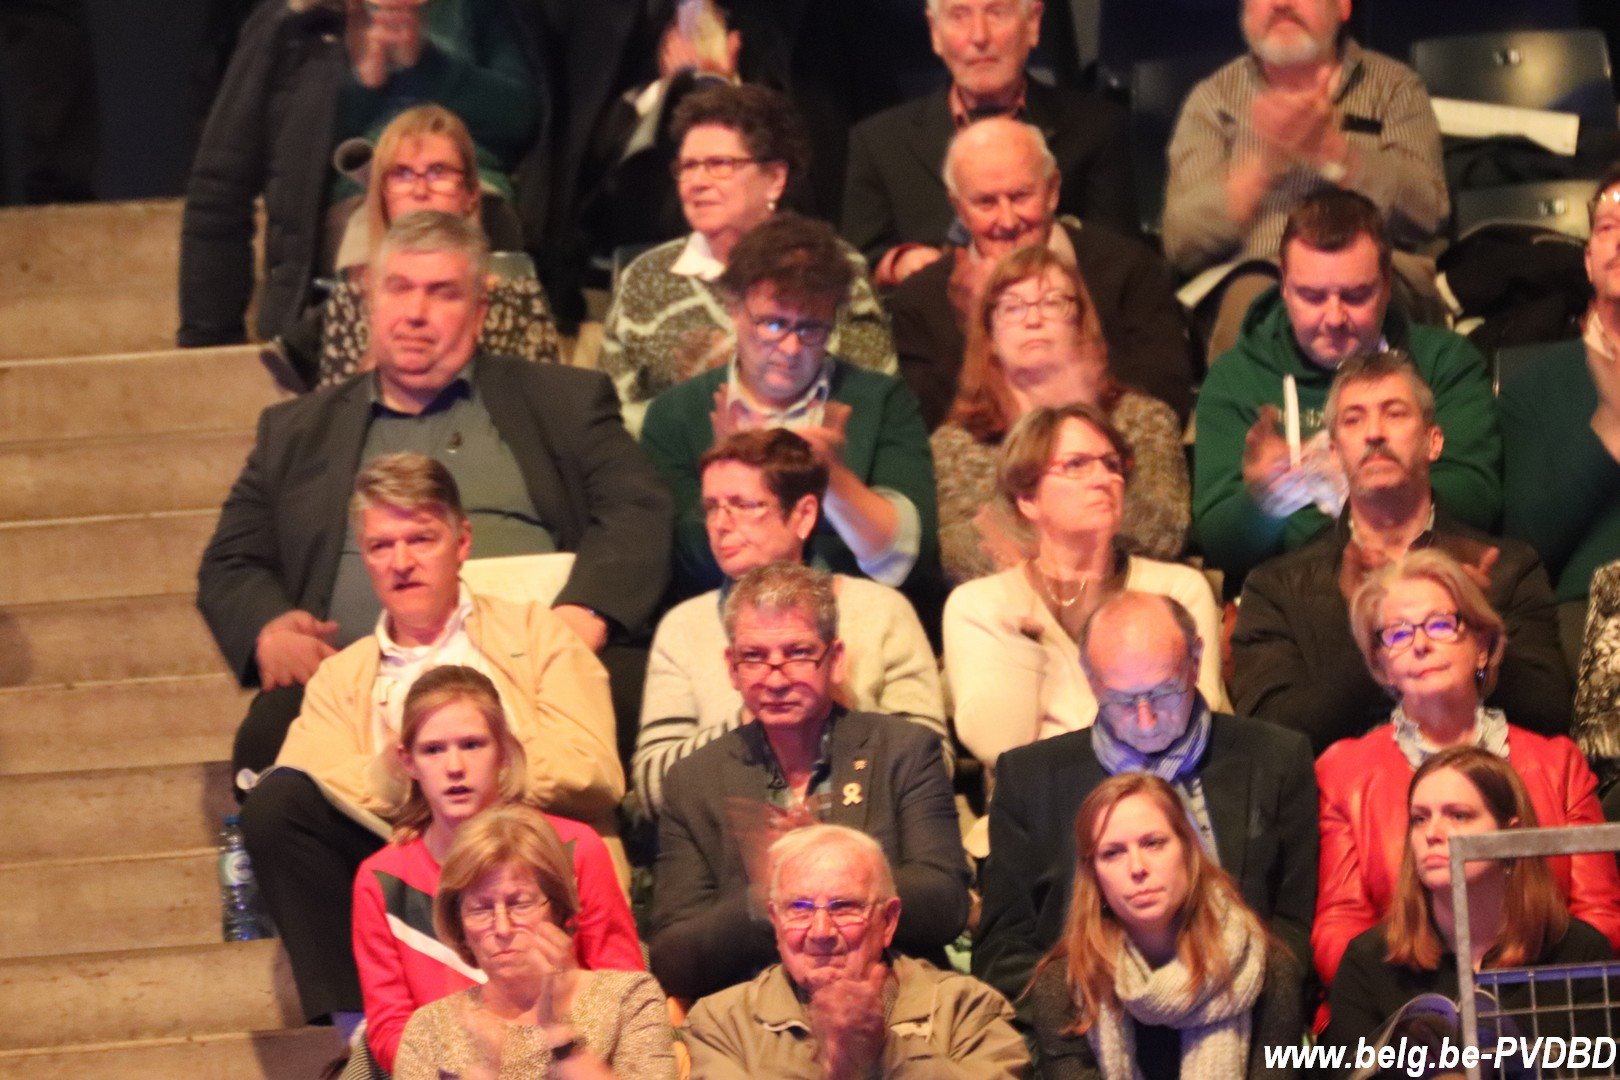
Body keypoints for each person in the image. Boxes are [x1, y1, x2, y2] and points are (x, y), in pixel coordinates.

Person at [197, 212, 672, 780]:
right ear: (372, 301)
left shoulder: (561, 401)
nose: (415, 313)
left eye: (441, 293)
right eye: (399, 288)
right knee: (269, 736)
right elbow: (232, 559)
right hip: (360, 679)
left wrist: (584, 613)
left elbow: (637, 509)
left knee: (628, 692)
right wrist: (269, 629)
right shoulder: (296, 431)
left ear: (478, 313)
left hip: (530, 666)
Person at [239, 453, 626, 1041]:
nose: (401, 563)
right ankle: (362, 1034)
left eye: (421, 539)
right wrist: (419, 794)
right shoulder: (342, 678)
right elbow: (308, 777)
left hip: (530, 853)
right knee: (276, 804)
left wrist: (478, 773)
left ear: (462, 540)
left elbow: (593, 765)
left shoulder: (534, 633)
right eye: (379, 546)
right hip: (407, 859)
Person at [975, 591, 1317, 1010]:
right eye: (1121, 700)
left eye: (1163, 693)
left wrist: (1221, 1000)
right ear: (1091, 681)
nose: (1145, 719)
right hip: (1089, 1025)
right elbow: (1002, 953)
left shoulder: (1276, 759)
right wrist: (1121, 1008)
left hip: (1241, 1008)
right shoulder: (1030, 779)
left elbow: (1295, 929)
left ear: (1195, 662)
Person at [648, 563, 970, 1001]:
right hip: (753, 1016)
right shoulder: (695, 779)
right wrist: (768, 897)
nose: (775, 677)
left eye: (798, 653)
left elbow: (945, 903)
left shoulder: (902, 751)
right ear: (732, 667)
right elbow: (673, 957)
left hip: (892, 997)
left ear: (835, 660)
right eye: (755, 657)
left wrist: (837, 873)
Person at [1231, 351, 1570, 753]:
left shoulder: (1507, 568)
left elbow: (1549, 713)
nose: (1374, 432)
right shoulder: (1277, 588)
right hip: (1343, 807)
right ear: (1335, 454)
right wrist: (1368, 632)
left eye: (1394, 414)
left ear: (1433, 442)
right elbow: (1274, 741)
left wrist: (1476, 620)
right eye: (1354, 420)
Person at [1312, 550, 1620, 989]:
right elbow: (1338, 927)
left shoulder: (1558, 762)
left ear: (1483, 645)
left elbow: (1601, 915)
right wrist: (1424, 994)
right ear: (1381, 666)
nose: (1420, 644)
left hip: (1544, 996)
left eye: (1440, 624)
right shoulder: (1343, 770)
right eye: (1397, 633)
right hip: (1405, 1006)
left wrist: (1508, 981)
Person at [178, 0, 546, 351]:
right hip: (356, 204)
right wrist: (365, 83)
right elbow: (233, 175)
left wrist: (427, 63)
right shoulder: (296, 23)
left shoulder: (476, 10)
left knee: (460, 219)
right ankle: (370, 374)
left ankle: (485, 371)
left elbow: (520, 118)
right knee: (373, 234)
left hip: (469, 191)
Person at [634, 429, 947, 816]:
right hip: (732, 849)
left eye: (744, 505)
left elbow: (934, 766)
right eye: (712, 507)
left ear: (803, 515)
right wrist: (755, 716)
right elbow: (652, 788)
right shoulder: (685, 626)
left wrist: (835, 716)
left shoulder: (881, 611)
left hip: (867, 836)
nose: (720, 524)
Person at [1193, 189, 1499, 584]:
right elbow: (1221, 543)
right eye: (1312, 296)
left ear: (1386, 284)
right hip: (1294, 592)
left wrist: (1328, 497)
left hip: (1421, 581)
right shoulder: (1237, 377)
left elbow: (1475, 502)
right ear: (1284, 285)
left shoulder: (1443, 362)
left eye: (1355, 296)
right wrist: (1264, 503)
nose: (1334, 318)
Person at [352, 665, 642, 1074]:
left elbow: (625, 987)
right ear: (408, 761)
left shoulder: (575, 850)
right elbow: (389, 1028)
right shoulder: (382, 880)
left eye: (472, 745)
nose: (454, 767)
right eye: (433, 750)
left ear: (504, 751)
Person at [640, 212, 936, 604]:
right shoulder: (677, 414)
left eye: (811, 328)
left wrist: (831, 475)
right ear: (734, 306)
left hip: (854, 617)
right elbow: (685, 561)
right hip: (722, 625)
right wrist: (741, 470)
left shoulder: (879, 401)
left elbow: (912, 565)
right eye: (774, 325)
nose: (792, 349)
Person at [943, 405, 1227, 775]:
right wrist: (1024, 630)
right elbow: (997, 744)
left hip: (1162, 799)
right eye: (1076, 465)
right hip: (1039, 811)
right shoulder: (981, 605)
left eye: (1111, 464)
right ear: (1028, 499)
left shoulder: (1175, 590)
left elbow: (1192, 720)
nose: (1103, 478)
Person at [599, 83, 897, 435]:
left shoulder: (830, 264)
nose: (697, 182)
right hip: (667, 471)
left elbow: (872, 394)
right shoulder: (646, 276)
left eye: (719, 164)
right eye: (689, 166)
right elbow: (610, 410)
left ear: (774, 178)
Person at [1161, 0, 1446, 361]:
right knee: (1254, 306)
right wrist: (1264, 166)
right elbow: (1180, 244)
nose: (1281, 4)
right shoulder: (1213, 100)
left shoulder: (1393, 87)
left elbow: (1429, 213)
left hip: (1372, 271)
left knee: (1369, 294)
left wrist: (1336, 154)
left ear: (1342, 6)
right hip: (1258, 277)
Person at [887, 117, 1195, 431]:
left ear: (1052, 191)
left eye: (1021, 197)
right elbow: (926, 427)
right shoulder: (920, 299)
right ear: (960, 209)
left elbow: (1168, 394)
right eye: (986, 202)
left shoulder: (1128, 266)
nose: (1007, 221)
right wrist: (979, 326)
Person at [1322, 747, 1617, 1059]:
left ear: (1511, 833)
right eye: (1419, 819)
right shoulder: (1369, 962)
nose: (1432, 833)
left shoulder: (1580, 953)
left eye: (1458, 815)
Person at [685, 824, 1031, 1077]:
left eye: (844, 907)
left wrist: (884, 1049)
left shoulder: (966, 1009)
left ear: (889, 920)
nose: (821, 931)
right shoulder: (721, 1022)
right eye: (800, 908)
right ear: (776, 921)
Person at [934, 245, 1189, 584]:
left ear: (1080, 323)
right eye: (1012, 307)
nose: (1033, 319)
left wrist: (1089, 432)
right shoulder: (957, 442)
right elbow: (961, 551)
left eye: (1053, 302)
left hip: (1128, 598)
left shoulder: (1142, 419)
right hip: (1013, 610)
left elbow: (1164, 533)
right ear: (990, 335)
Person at [1025, 773, 1305, 1079]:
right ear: (1094, 875)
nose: (1137, 868)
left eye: (1153, 843)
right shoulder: (1067, 986)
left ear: (1189, 850)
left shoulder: (1267, 971)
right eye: (1113, 853)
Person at [841, 0, 1135, 288]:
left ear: (1032, 23)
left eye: (996, 13)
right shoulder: (879, 142)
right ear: (935, 32)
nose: (979, 35)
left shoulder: (1096, 128)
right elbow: (853, 265)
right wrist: (898, 263)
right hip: (931, 327)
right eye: (959, 15)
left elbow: (1122, 268)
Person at [392, 804, 677, 1079]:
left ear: (558, 908)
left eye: (520, 904)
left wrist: (561, 1038)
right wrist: (487, 1069)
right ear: (458, 924)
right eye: (480, 909)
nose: (502, 927)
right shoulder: (429, 1030)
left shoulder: (628, 1000)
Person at [298, 105, 561, 389]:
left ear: (471, 194)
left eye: (438, 172)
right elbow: (337, 417)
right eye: (402, 174)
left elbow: (542, 411)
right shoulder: (353, 294)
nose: (420, 191)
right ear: (383, 194)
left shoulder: (514, 292)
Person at [1500, 166, 1620, 611]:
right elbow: (1525, 554)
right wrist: (1610, 434)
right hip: (1592, 613)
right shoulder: (1534, 387)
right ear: (1589, 261)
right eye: (1608, 228)